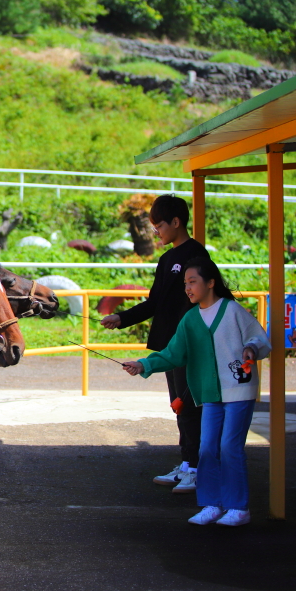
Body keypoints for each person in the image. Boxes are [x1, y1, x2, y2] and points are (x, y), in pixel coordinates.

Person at [122, 257, 271, 526]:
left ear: (210, 283)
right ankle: (212, 505)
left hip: (238, 390)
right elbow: (173, 354)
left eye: (193, 282)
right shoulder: (190, 319)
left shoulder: (233, 310)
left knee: (229, 448)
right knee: (206, 450)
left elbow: (259, 338)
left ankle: (239, 508)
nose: (188, 288)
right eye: (185, 283)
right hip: (210, 394)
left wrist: (251, 349)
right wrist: (143, 365)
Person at [100, 195, 209, 493]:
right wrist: (122, 318)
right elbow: (154, 303)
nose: (156, 231)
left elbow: (203, 300)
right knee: (178, 406)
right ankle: (188, 464)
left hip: (191, 344)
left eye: (159, 225)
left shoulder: (197, 255)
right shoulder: (165, 259)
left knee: (189, 405)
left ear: (176, 222)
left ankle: (198, 468)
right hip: (171, 346)